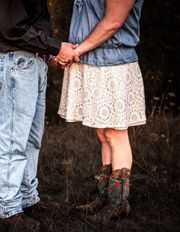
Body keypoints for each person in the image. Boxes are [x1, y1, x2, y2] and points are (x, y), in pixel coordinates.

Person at [58, 0, 146, 223]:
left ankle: (118, 203)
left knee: (116, 134)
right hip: (93, 62)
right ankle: (104, 196)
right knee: (103, 133)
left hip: (114, 64)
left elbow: (114, 22)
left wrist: (76, 50)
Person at [0, 0, 78, 231]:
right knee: (13, 140)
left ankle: (26, 199)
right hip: (17, 62)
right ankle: (8, 209)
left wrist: (47, 50)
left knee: (31, 141)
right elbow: (11, 27)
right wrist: (55, 46)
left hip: (33, 63)